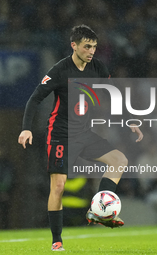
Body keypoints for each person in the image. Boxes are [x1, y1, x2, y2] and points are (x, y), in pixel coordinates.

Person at [18, 25, 143, 251]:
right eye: (87, 46)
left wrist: (131, 119)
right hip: (60, 135)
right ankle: (57, 239)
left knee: (119, 160)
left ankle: (98, 210)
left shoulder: (98, 68)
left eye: (94, 47)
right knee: (58, 187)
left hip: (84, 134)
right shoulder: (60, 70)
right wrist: (26, 128)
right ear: (74, 46)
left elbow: (114, 95)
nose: (92, 51)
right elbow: (35, 98)